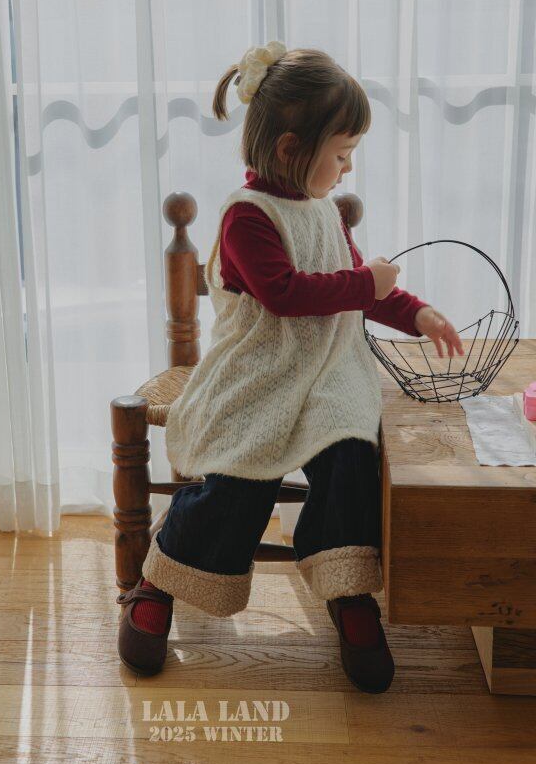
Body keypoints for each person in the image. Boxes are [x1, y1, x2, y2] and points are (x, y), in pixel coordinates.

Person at [116, 42, 464, 693]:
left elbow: (359, 291)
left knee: (351, 452)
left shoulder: (325, 210)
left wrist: (416, 312)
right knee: (242, 474)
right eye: (342, 153)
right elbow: (287, 295)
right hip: (259, 371)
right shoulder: (247, 218)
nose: (349, 167)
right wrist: (365, 283)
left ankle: (346, 584)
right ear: (290, 149)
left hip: (326, 372)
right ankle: (163, 573)